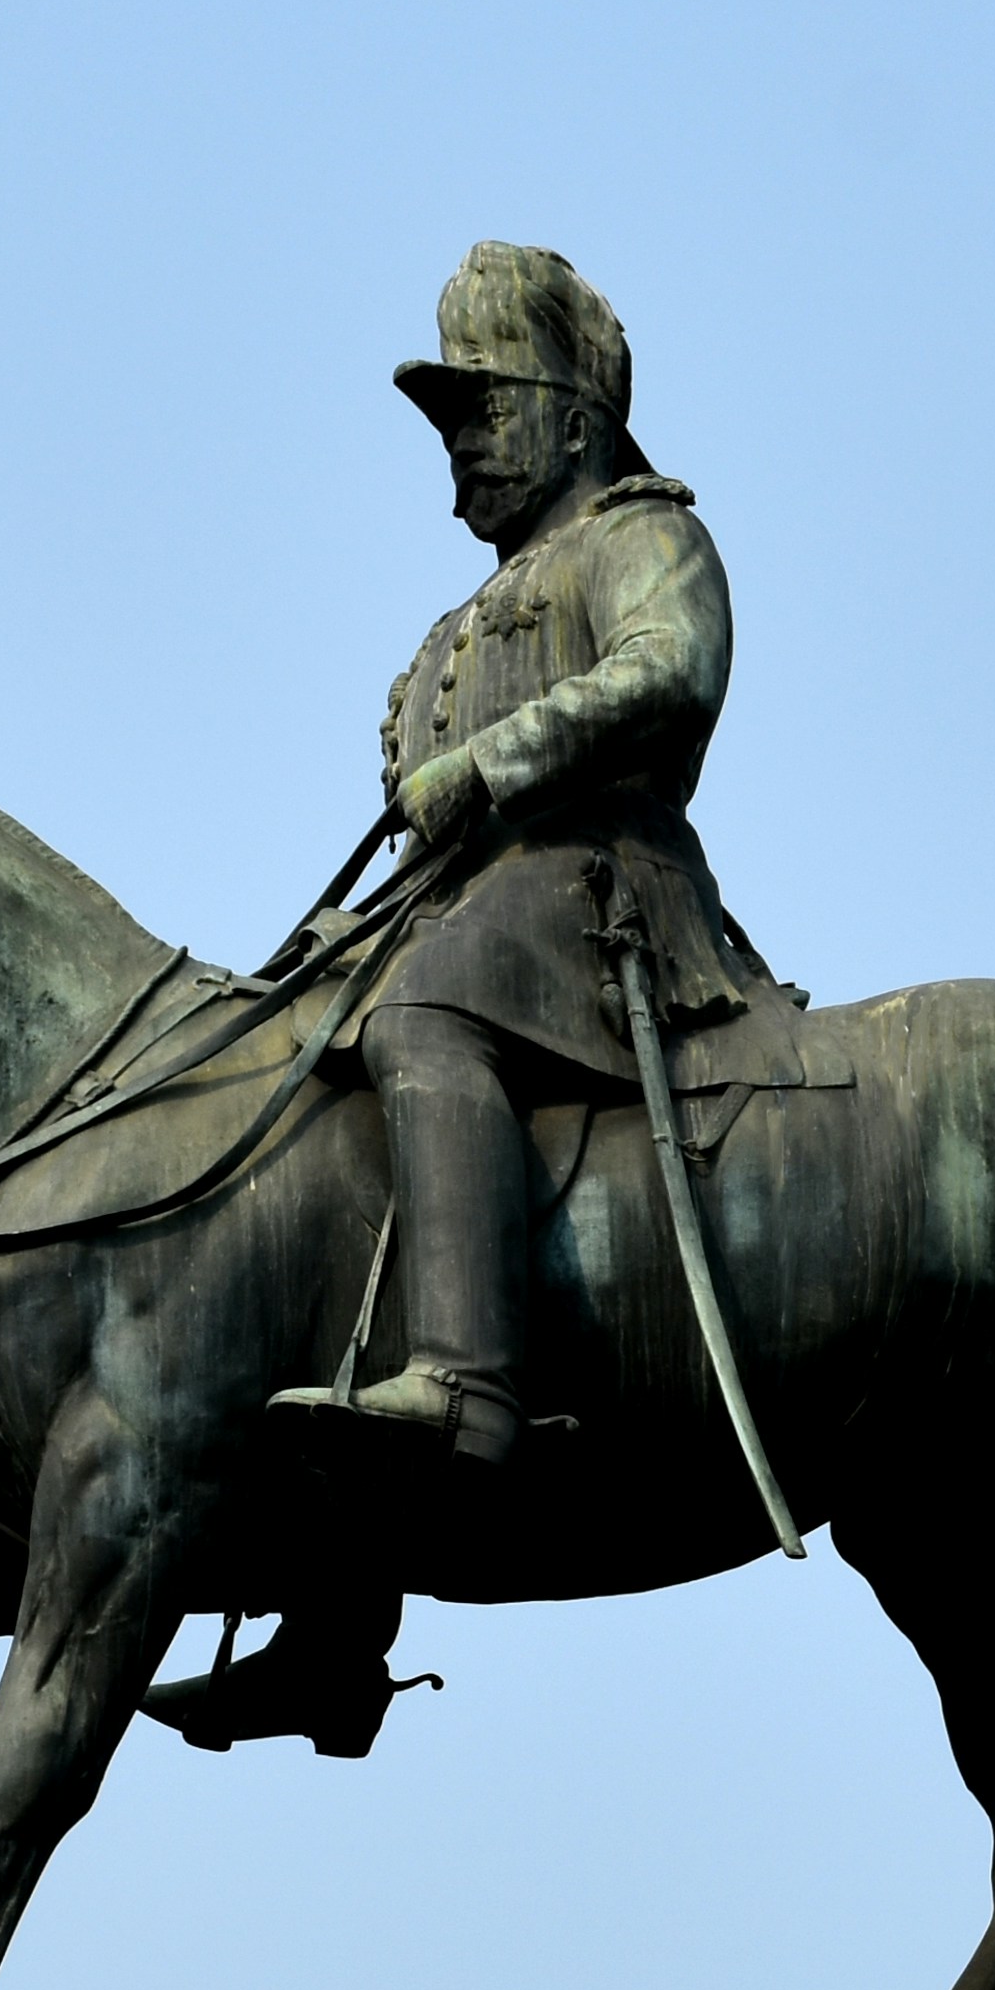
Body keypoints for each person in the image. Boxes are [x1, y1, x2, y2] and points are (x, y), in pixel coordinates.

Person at [269, 239, 779, 1461]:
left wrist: (486, 766)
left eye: (484, 405)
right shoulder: (454, 623)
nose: (460, 440)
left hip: (601, 891)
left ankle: (466, 1379)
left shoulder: (639, 537)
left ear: (573, 422)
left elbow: (670, 668)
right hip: (463, 903)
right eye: (449, 419)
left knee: (420, 1012)